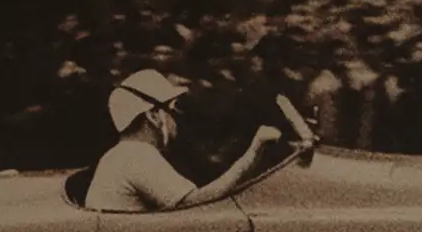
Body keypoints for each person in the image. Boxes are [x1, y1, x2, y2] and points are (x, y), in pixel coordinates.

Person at [86, 68, 284, 210]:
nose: (176, 119)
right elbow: (198, 202)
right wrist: (254, 150)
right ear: (153, 116)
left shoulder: (121, 154)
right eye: (172, 109)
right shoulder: (138, 155)